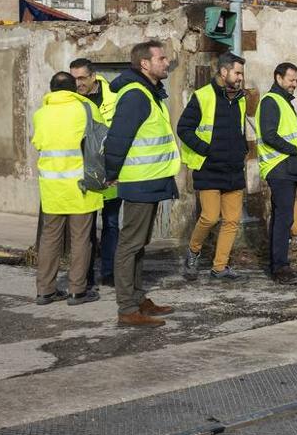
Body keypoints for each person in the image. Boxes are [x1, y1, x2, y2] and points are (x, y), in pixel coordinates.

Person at [104, 40, 179, 327]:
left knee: (139, 244)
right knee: (130, 244)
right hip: (139, 182)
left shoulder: (150, 92)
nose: (167, 62)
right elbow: (118, 139)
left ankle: (137, 299)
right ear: (144, 64)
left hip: (151, 180)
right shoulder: (136, 95)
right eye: (161, 58)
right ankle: (127, 309)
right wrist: (111, 172)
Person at [31, 72, 103, 306]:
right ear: (73, 88)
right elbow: (101, 140)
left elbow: (38, 143)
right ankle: (77, 291)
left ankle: (45, 291)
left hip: (52, 185)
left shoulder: (41, 114)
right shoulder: (86, 108)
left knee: (50, 238)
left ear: (52, 90)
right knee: (81, 239)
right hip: (81, 185)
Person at [178, 53, 248, 281]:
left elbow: (239, 130)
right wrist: (205, 150)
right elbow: (184, 128)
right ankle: (193, 251)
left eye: (241, 74)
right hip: (209, 168)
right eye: (237, 73)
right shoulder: (202, 96)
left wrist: (242, 152)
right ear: (224, 72)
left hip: (234, 169)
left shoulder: (240, 98)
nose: (240, 78)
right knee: (209, 217)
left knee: (231, 220)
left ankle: (220, 267)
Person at [255, 62, 297, 284]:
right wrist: (293, 150)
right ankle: (280, 267)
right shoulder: (271, 101)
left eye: (296, 80)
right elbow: (269, 134)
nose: (295, 84)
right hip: (280, 168)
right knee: (283, 219)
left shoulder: (282, 101)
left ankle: (279, 264)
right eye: (291, 80)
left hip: (286, 168)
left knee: (282, 218)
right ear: (278, 78)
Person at [70, 57, 120, 289]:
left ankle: (108, 272)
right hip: (84, 175)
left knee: (110, 223)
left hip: (110, 173)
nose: (77, 83)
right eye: (74, 78)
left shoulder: (114, 95)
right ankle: (86, 274)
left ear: (93, 76)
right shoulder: (71, 101)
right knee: (86, 227)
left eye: (81, 78)